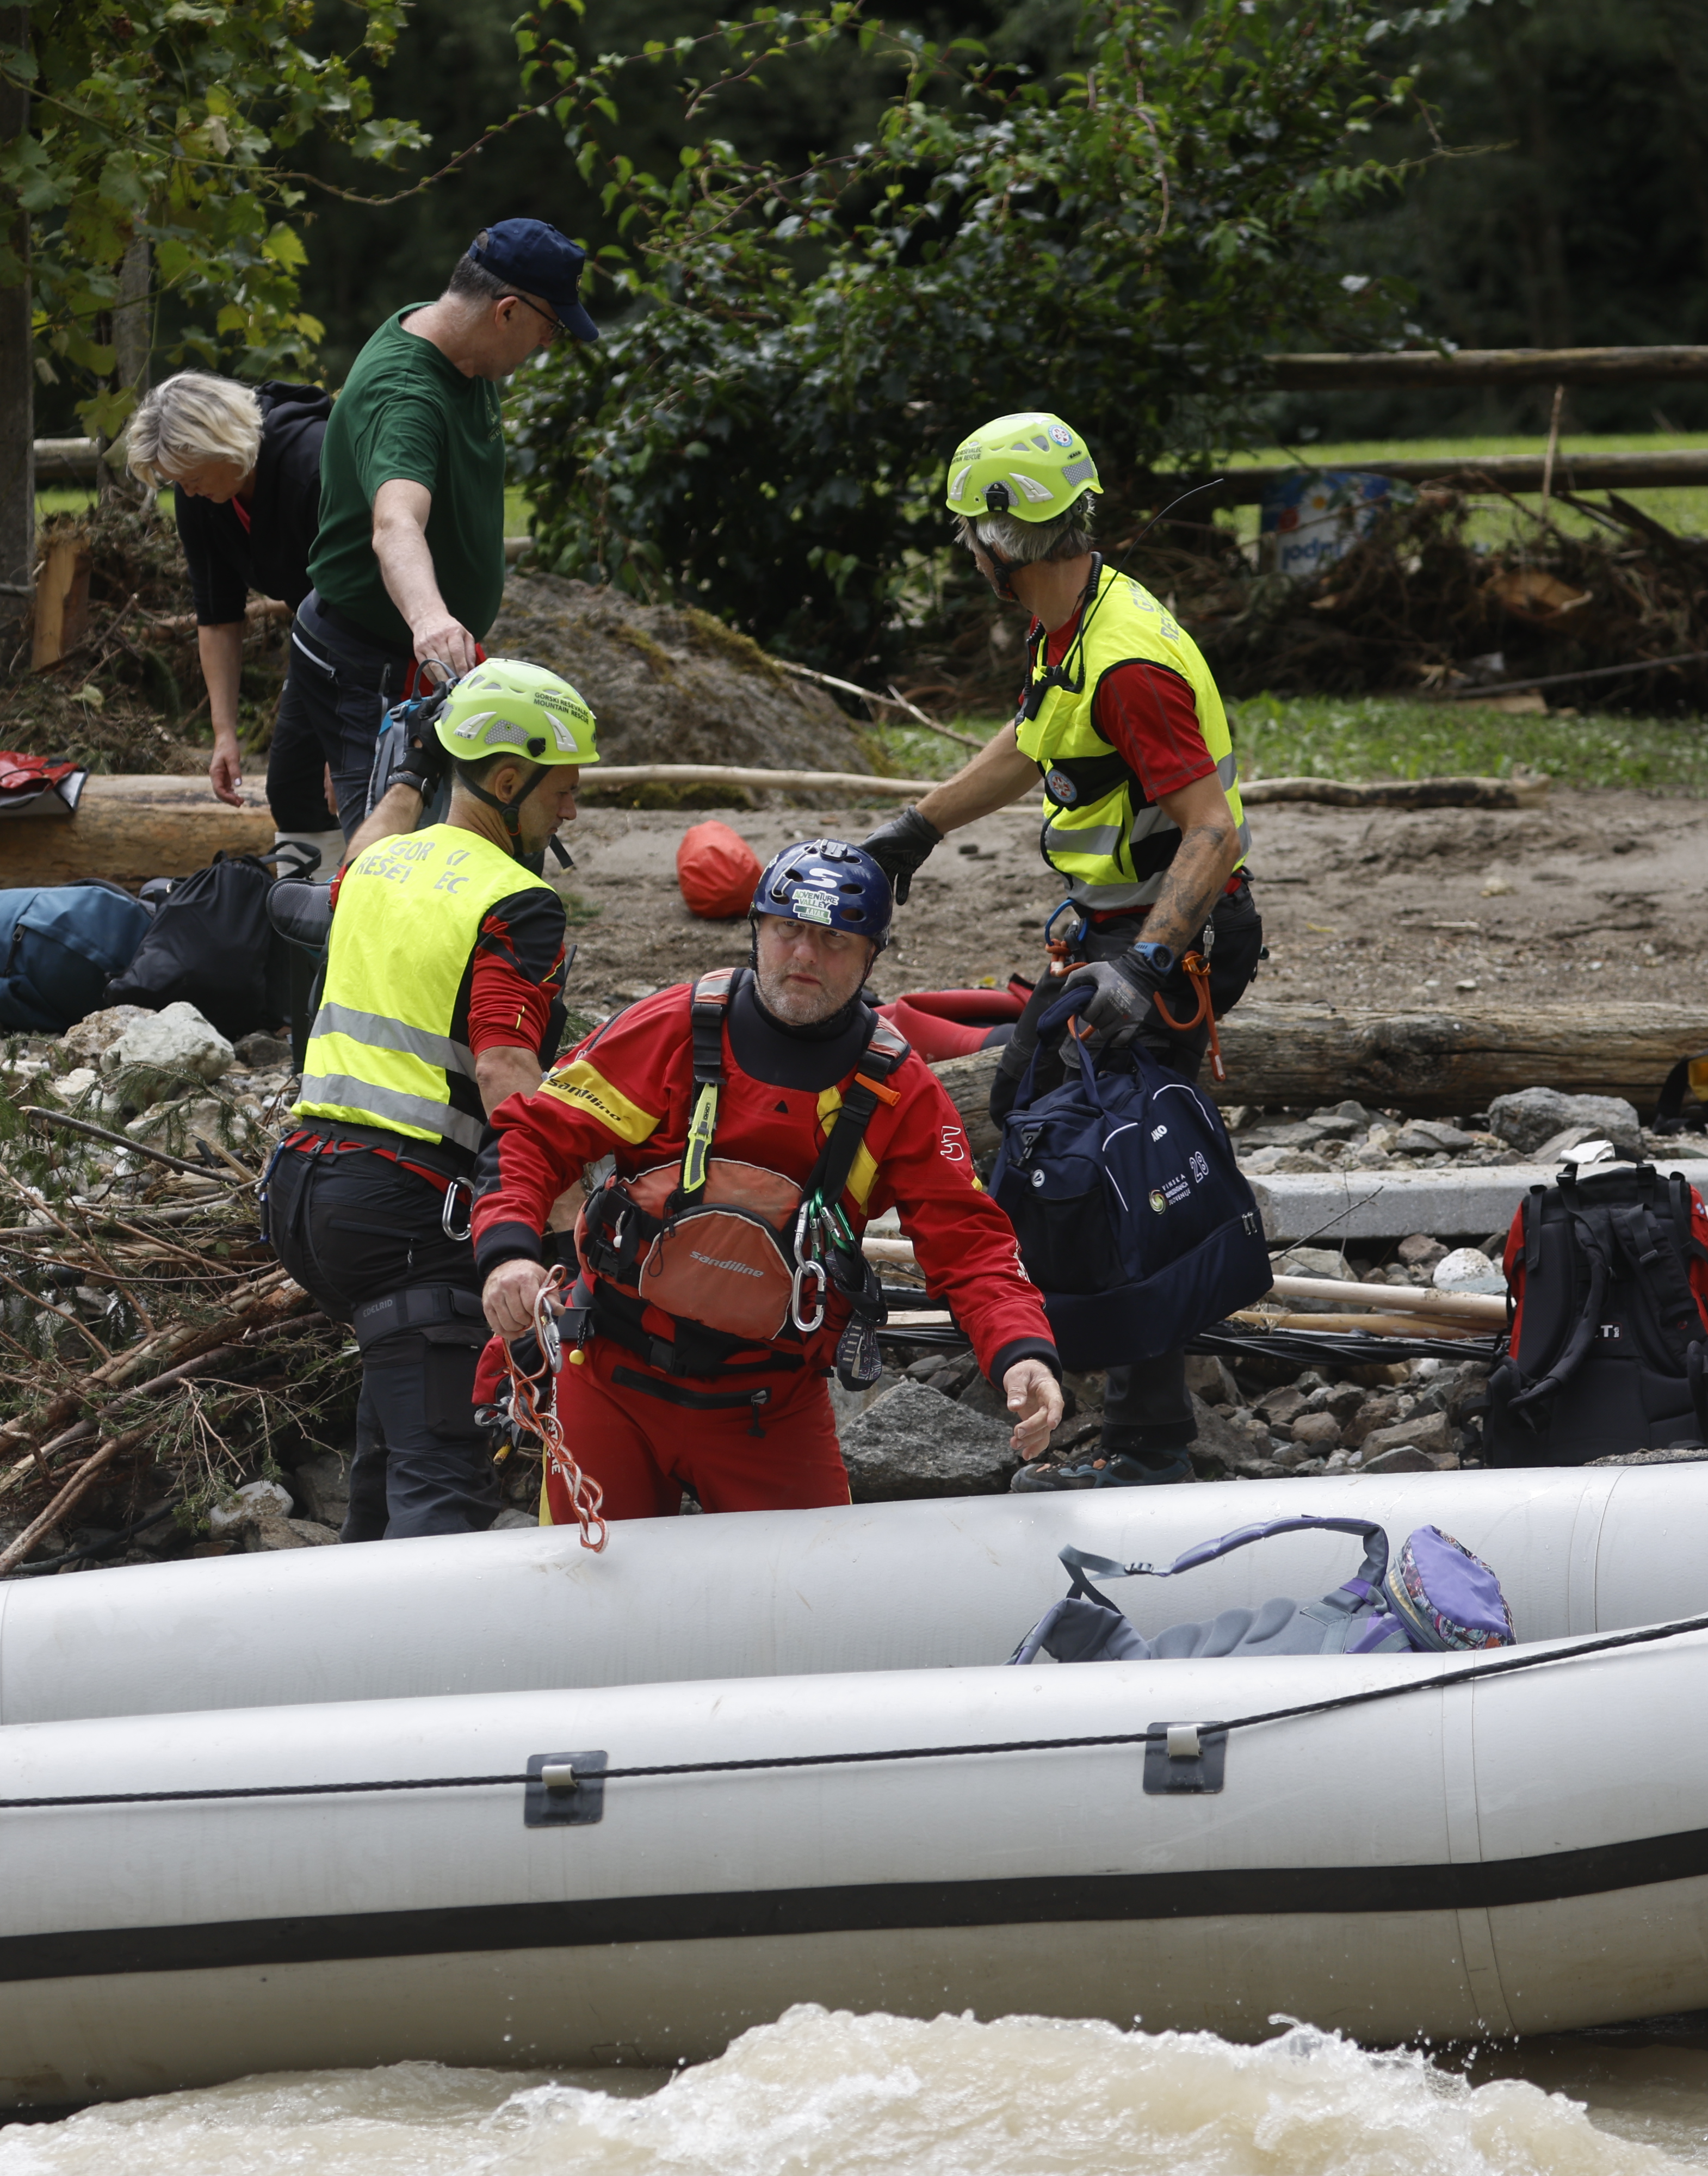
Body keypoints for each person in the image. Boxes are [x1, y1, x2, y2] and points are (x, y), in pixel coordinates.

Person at [858, 411, 1261, 1491]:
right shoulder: (1072, 624)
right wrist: (919, 825)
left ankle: (1147, 1438)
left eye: (968, 537)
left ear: (996, 542)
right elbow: (1034, 738)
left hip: (1172, 932)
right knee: (1046, 1113)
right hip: (1118, 926)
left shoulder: (1126, 662)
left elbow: (1213, 831)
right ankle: (1073, 1357)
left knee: (1109, 1156)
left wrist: (1148, 967)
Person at [476, 841, 1065, 1522]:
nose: (805, 956)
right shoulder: (672, 1028)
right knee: (588, 1614)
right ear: (757, 928)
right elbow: (532, 1136)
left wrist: (1022, 1353)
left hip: (769, 1406)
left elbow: (972, 1248)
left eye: (833, 940)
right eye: (788, 930)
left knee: (816, 1616)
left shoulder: (900, 1091)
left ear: (872, 953)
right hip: (610, 1380)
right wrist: (509, 1253)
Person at [265, 659, 597, 1541]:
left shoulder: (376, 867)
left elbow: (369, 842)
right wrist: (560, 1227)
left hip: (302, 1193)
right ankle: (429, 1661)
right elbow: (505, 1074)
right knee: (443, 1482)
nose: (571, 811)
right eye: (563, 790)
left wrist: (407, 770)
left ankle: (354, 1608)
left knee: (391, 1436)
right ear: (507, 778)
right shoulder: (517, 905)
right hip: (401, 1214)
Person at [282, 218, 599, 837]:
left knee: (407, 831)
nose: (546, 345)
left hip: (392, 651)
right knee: (388, 851)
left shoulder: (461, 353)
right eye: (550, 328)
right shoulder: (408, 394)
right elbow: (396, 519)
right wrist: (429, 619)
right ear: (507, 311)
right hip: (370, 657)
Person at [123, 372, 333, 861]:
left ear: (223, 443)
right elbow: (217, 615)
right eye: (178, 482)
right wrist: (224, 734)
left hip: (388, 626)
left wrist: (343, 736)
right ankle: (311, 921)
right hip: (321, 630)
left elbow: (366, 592)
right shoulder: (204, 497)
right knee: (295, 787)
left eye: (191, 476)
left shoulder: (314, 463)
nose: (187, 492)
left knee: (367, 778)